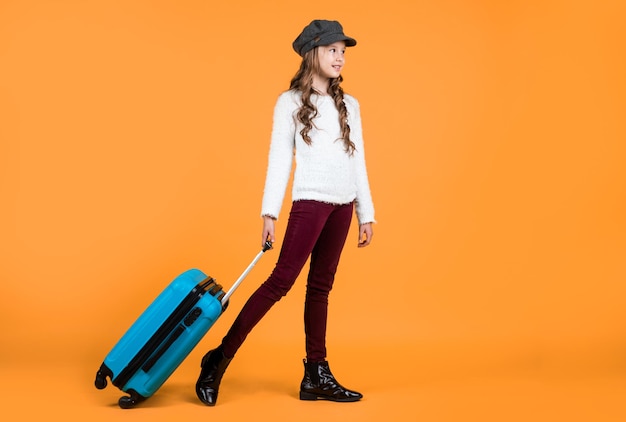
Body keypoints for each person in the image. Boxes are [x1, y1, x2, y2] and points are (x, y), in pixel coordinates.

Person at [196, 19, 376, 406]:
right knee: (280, 282)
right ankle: (218, 359)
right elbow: (279, 160)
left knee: (320, 289)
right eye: (332, 50)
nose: (340, 57)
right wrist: (269, 213)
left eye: (343, 51)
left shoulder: (351, 106)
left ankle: (315, 374)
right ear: (313, 52)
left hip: (343, 206)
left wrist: (366, 212)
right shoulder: (290, 103)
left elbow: (357, 160)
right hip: (310, 203)